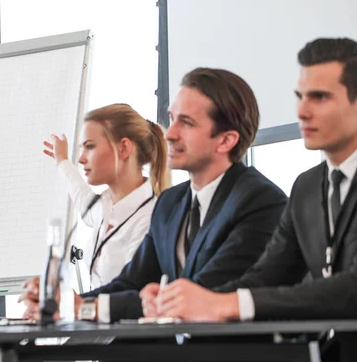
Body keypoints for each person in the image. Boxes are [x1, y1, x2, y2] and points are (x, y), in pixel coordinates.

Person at [21, 68, 287, 323]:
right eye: (172, 119)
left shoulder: (260, 201)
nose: (169, 134)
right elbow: (131, 282)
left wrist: (86, 308)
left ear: (226, 141)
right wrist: (66, 303)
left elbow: (200, 295)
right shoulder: (171, 203)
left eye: (187, 123)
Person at [142, 39, 357, 326]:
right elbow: (268, 276)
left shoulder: (261, 196)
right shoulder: (307, 186)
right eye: (300, 96)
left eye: (319, 97)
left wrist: (226, 304)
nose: (301, 112)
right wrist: (189, 306)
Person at [42, 103, 170, 290]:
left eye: (90, 147)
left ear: (124, 149)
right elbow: (82, 197)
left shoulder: (149, 219)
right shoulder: (105, 206)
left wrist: (72, 304)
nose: (81, 159)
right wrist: (62, 161)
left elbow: (129, 296)